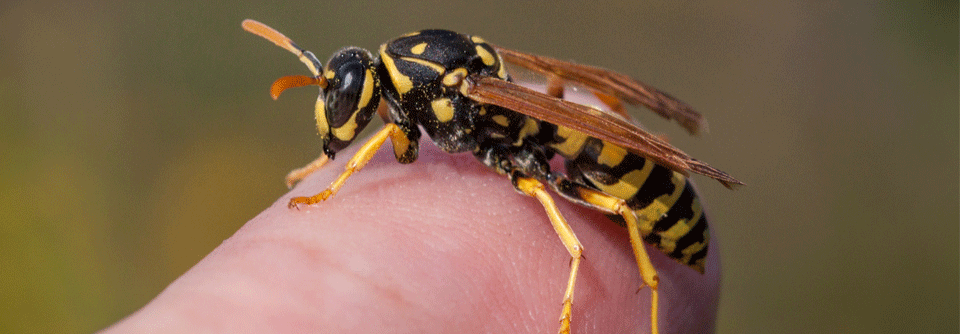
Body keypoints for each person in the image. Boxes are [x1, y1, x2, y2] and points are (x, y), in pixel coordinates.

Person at [103, 143, 720, 333]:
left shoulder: (470, 109)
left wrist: (337, 177)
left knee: (592, 214)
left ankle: (647, 298)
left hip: (630, 185)